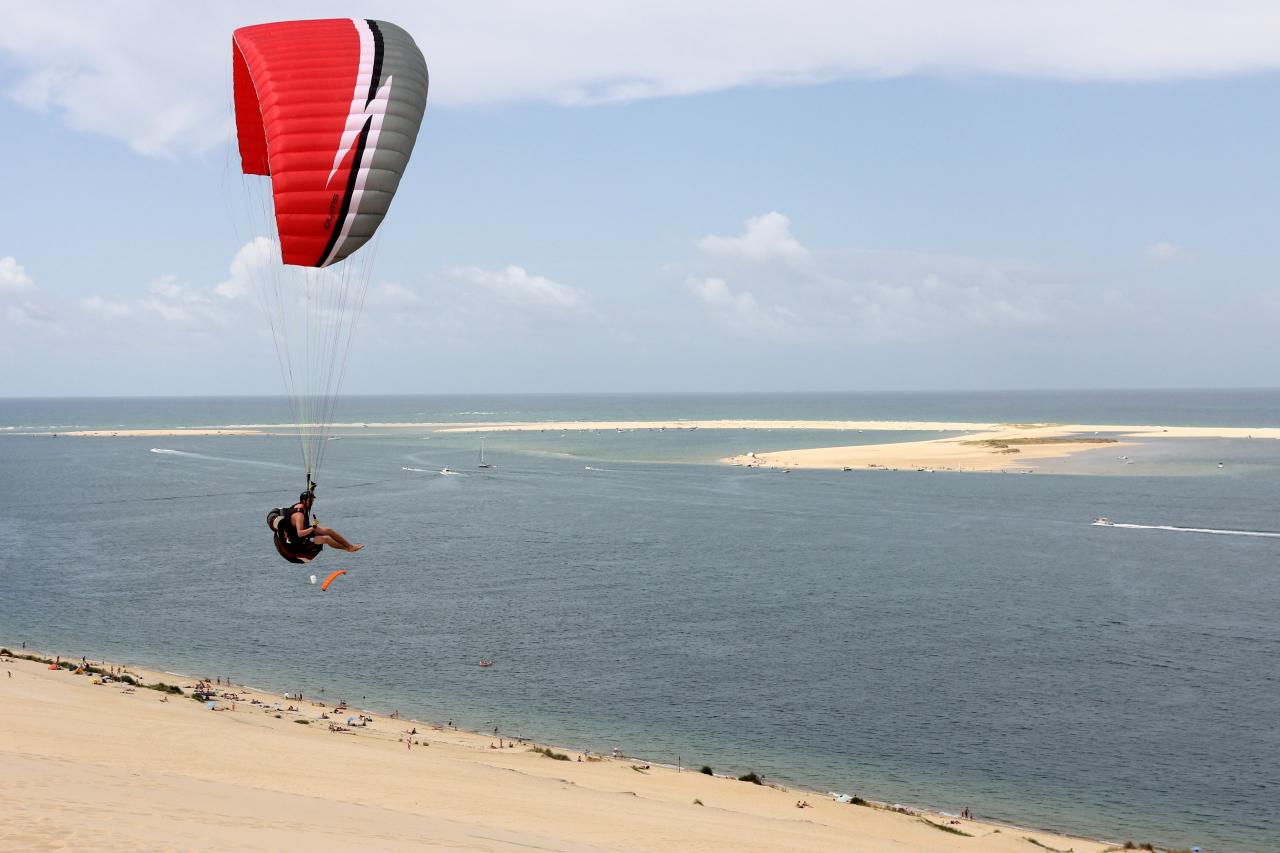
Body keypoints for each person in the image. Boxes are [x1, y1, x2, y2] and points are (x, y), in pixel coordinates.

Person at [270, 491, 363, 563]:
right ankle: (348, 549)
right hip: (296, 542)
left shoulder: (303, 505)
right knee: (325, 538)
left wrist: (312, 488)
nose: (312, 502)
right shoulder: (299, 515)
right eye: (310, 501)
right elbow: (300, 533)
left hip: (301, 533)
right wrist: (313, 528)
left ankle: (350, 546)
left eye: (313, 500)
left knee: (328, 530)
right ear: (304, 501)